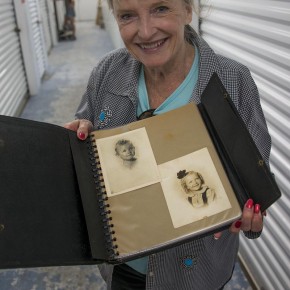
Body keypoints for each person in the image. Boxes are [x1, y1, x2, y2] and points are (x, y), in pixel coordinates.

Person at [64, 0, 268, 289]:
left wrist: (251, 210)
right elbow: (85, 131)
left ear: (187, 9)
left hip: (195, 273)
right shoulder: (107, 72)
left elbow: (257, 179)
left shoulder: (233, 82)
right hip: (123, 266)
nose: (146, 32)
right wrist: (80, 136)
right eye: (127, 16)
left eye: (160, 8)